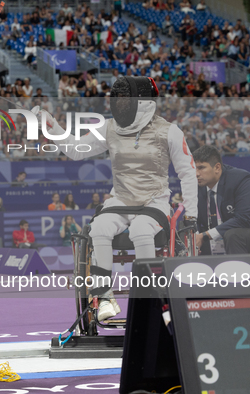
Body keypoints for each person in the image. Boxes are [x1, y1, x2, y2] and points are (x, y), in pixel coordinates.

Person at [33, 76, 197, 321]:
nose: (119, 105)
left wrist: (192, 213)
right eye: (117, 100)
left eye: (124, 100)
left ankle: (147, 300)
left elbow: (187, 171)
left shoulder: (168, 131)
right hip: (120, 200)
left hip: (154, 202)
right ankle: (104, 298)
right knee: (98, 228)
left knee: (141, 230)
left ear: (141, 103)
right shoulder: (109, 128)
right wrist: (52, 126)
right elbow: (77, 150)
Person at [193, 145, 250, 255]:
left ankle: (238, 271)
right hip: (218, 239)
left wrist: (205, 235)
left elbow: (243, 219)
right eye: (194, 168)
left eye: (201, 168)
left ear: (217, 167)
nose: (196, 174)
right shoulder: (198, 187)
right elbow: (194, 221)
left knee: (233, 235)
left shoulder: (242, 179)